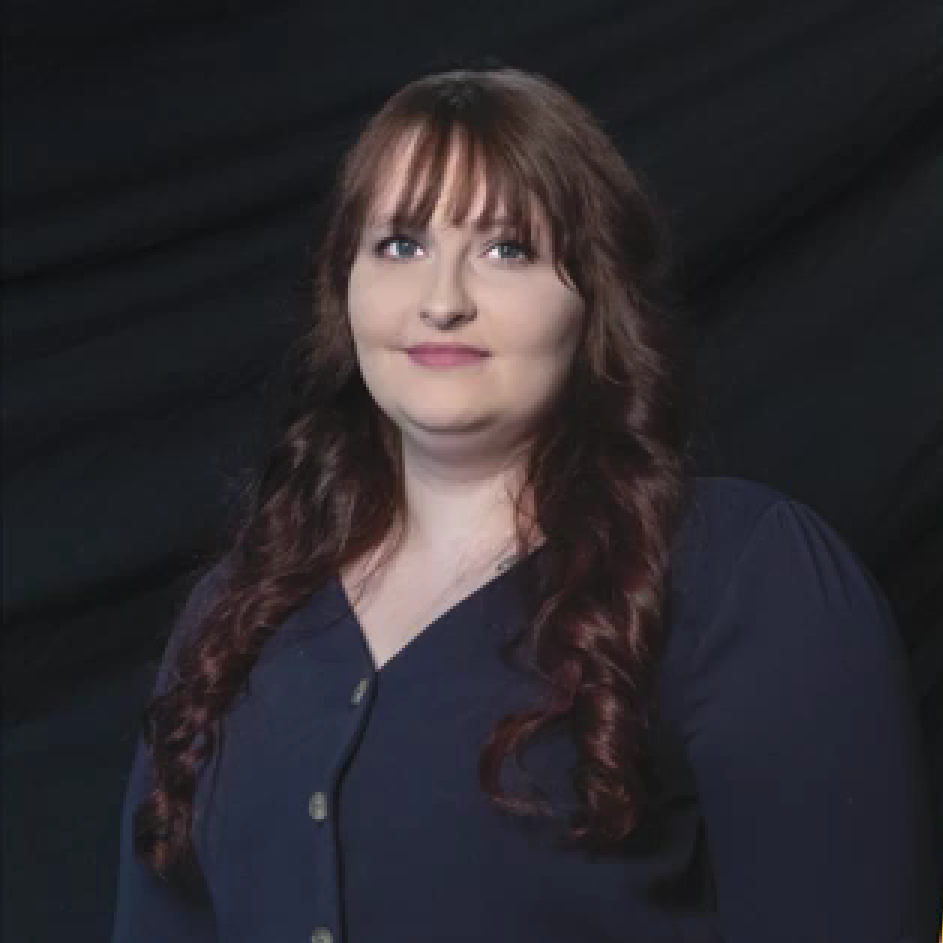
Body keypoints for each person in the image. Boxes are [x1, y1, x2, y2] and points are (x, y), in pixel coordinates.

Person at [111, 66, 941, 943]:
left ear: (593, 299)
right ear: (342, 285)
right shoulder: (236, 614)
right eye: (399, 244)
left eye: (506, 249)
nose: (441, 300)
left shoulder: (741, 576)